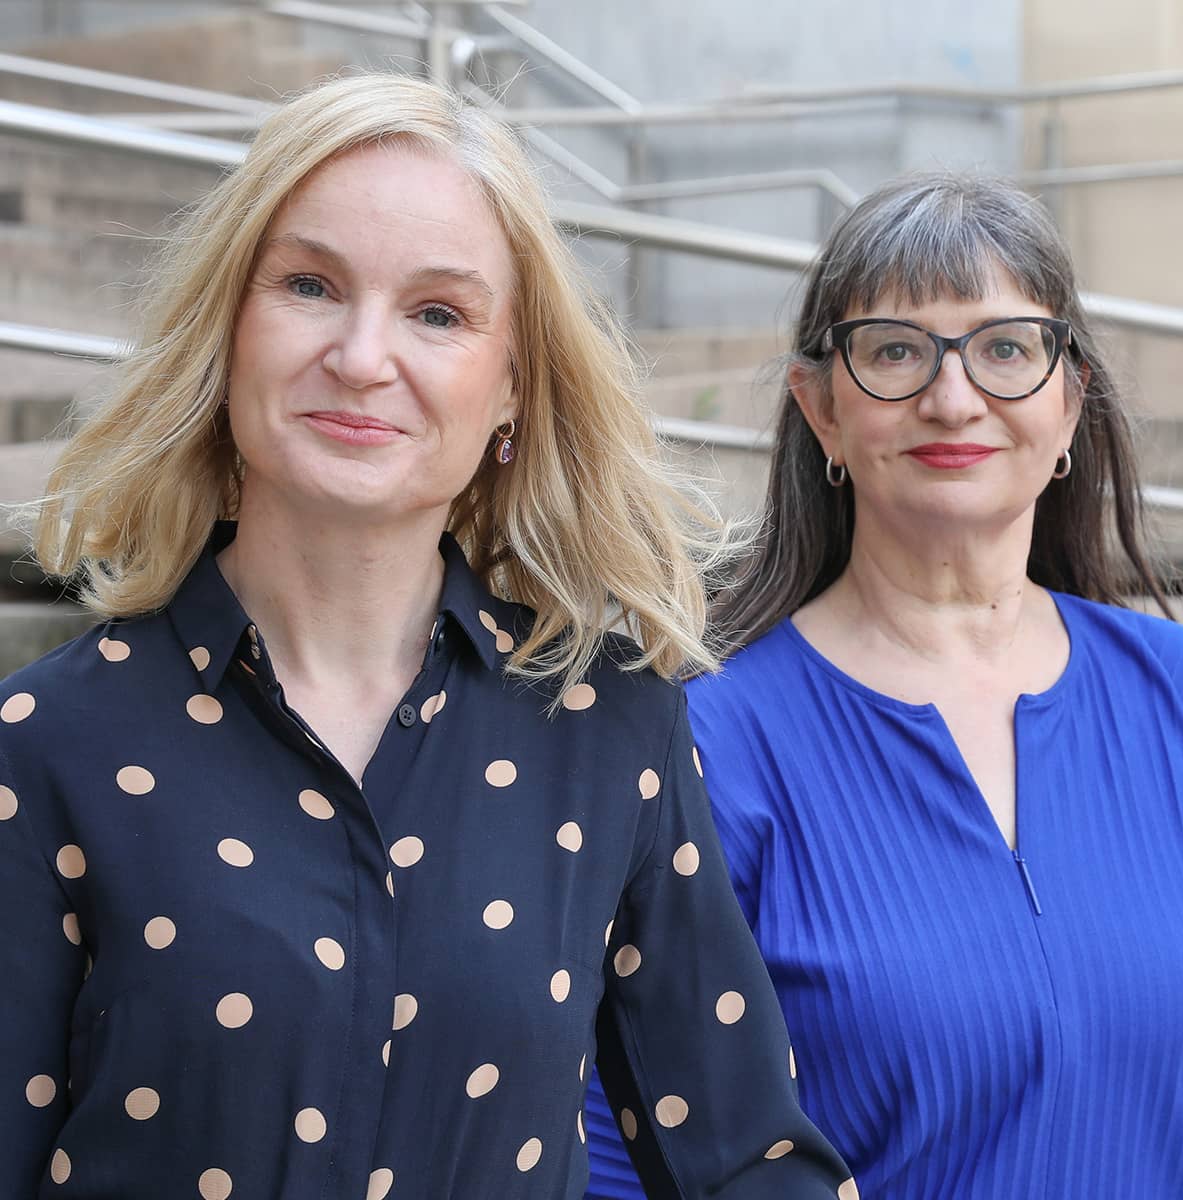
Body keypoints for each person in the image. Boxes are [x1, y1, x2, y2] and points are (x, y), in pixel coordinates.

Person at [0, 75, 856, 1199]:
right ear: (229, 332)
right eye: (310, 285)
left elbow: (742, 1159)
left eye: (438, 312)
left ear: (509, 391)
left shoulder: (608, 724)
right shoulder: (49, 740)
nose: (362, 356)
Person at [584, 172, 1183, 1200]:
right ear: (821, 408)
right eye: (896, 352)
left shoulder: (1182, 697)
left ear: (1070, 399)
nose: (952, 398)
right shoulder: (706, 742)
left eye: (1006, 348)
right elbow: (621, 1151)